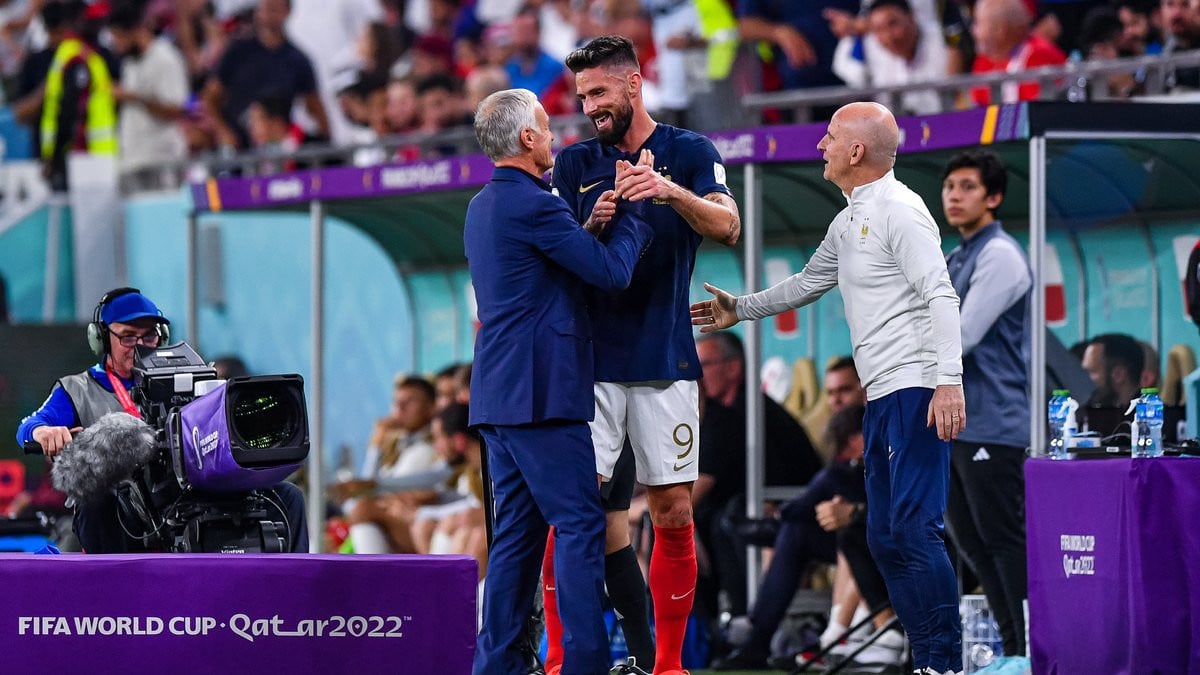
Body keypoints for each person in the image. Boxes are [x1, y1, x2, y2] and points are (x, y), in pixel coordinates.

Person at [692, 101, 966, 675]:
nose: (821, 145)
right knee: (887, 537)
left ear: (858, 151)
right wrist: (740, 309)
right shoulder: (848, 220)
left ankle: (943, 662)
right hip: (883, 395)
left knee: (914, 530)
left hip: (916, 387)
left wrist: (949, 383)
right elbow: (810, 282)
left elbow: (941, 294)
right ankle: (926, 656)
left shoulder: (902, 210)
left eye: (830, 136)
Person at [547, 34, 742, 675]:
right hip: (592, 365)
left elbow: (727, 225)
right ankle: (556, 658)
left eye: (600, 92)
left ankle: (667, 662)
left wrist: (666, 192)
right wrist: (591, 227)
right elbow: (555, 258)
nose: (591, 107)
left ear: (634, 83)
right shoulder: (575, 164)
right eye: (583, 96)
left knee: (673, 509)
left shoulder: (689, 152)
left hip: (666, 360)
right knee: (577, 512)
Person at [465, 87, 652, 675]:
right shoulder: (537, 205)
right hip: (542, 394)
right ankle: (585, 665)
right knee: (579, 525)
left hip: (498, 393)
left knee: (517, 539)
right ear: (525, 138)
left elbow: (542, 275)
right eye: (546, 128)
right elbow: (611, 274)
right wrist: (637, 209)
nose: (553, 136)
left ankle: (497, 666)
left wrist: (587, 226)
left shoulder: (484, 205)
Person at [15, 287, 308, 553]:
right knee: (98, 503)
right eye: (128, 336)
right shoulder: (77, 389)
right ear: (102, 339)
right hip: (127, 506)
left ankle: (293, 598)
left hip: (192, 495)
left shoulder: (194, 377)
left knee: (289, 497)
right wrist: (43, 432)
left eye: (148, 336)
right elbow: (27, 428)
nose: (140, 345)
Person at [940, 151, 1031, 674]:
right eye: (950, 185)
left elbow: (963, 335)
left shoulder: (1000, 256)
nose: (954, 194)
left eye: (968, 186)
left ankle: (1025, 649)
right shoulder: (958, 255)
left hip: (993, 425)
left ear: (993, 197)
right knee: (970, 543)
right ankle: (1011, 648)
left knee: (1001, 540)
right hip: (954, 423)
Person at [693, 331, 823, 618]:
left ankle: (743, 619)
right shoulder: (717, 412)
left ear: (733, 367)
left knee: (725, 520)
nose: (696, 375)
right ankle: (709, 629)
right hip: (751, 502)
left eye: (704, 365)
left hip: (792, 502)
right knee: (707, 518)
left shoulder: (753, 411)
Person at [107, 1, 188, 192]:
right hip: (132, 160)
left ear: (135, 31)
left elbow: (177, 109)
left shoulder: (165, 58)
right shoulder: (130, 62)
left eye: (119, 37)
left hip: (161, 161)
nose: (117, 45)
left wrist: (134, 97)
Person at [1081, 333, 1144, 409]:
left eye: (1091, 371)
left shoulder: (1152, 417)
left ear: (1118, 375)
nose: (1083, 378)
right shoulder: (1089, 413)